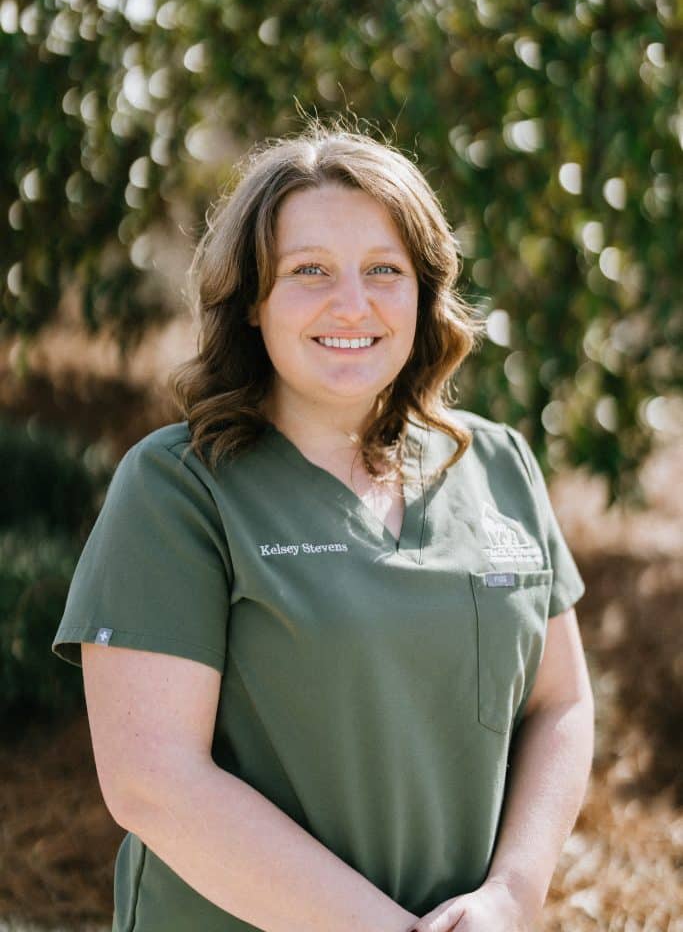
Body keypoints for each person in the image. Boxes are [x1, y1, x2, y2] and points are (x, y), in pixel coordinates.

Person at [52, 120, 594, 932]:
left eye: (384, 269)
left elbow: (560, 702)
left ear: (424, 291)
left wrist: (511, 895)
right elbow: (152, 781)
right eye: (309, 272)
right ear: (252, 303)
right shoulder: (179, 490)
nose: (353, 303)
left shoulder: (496, 462)